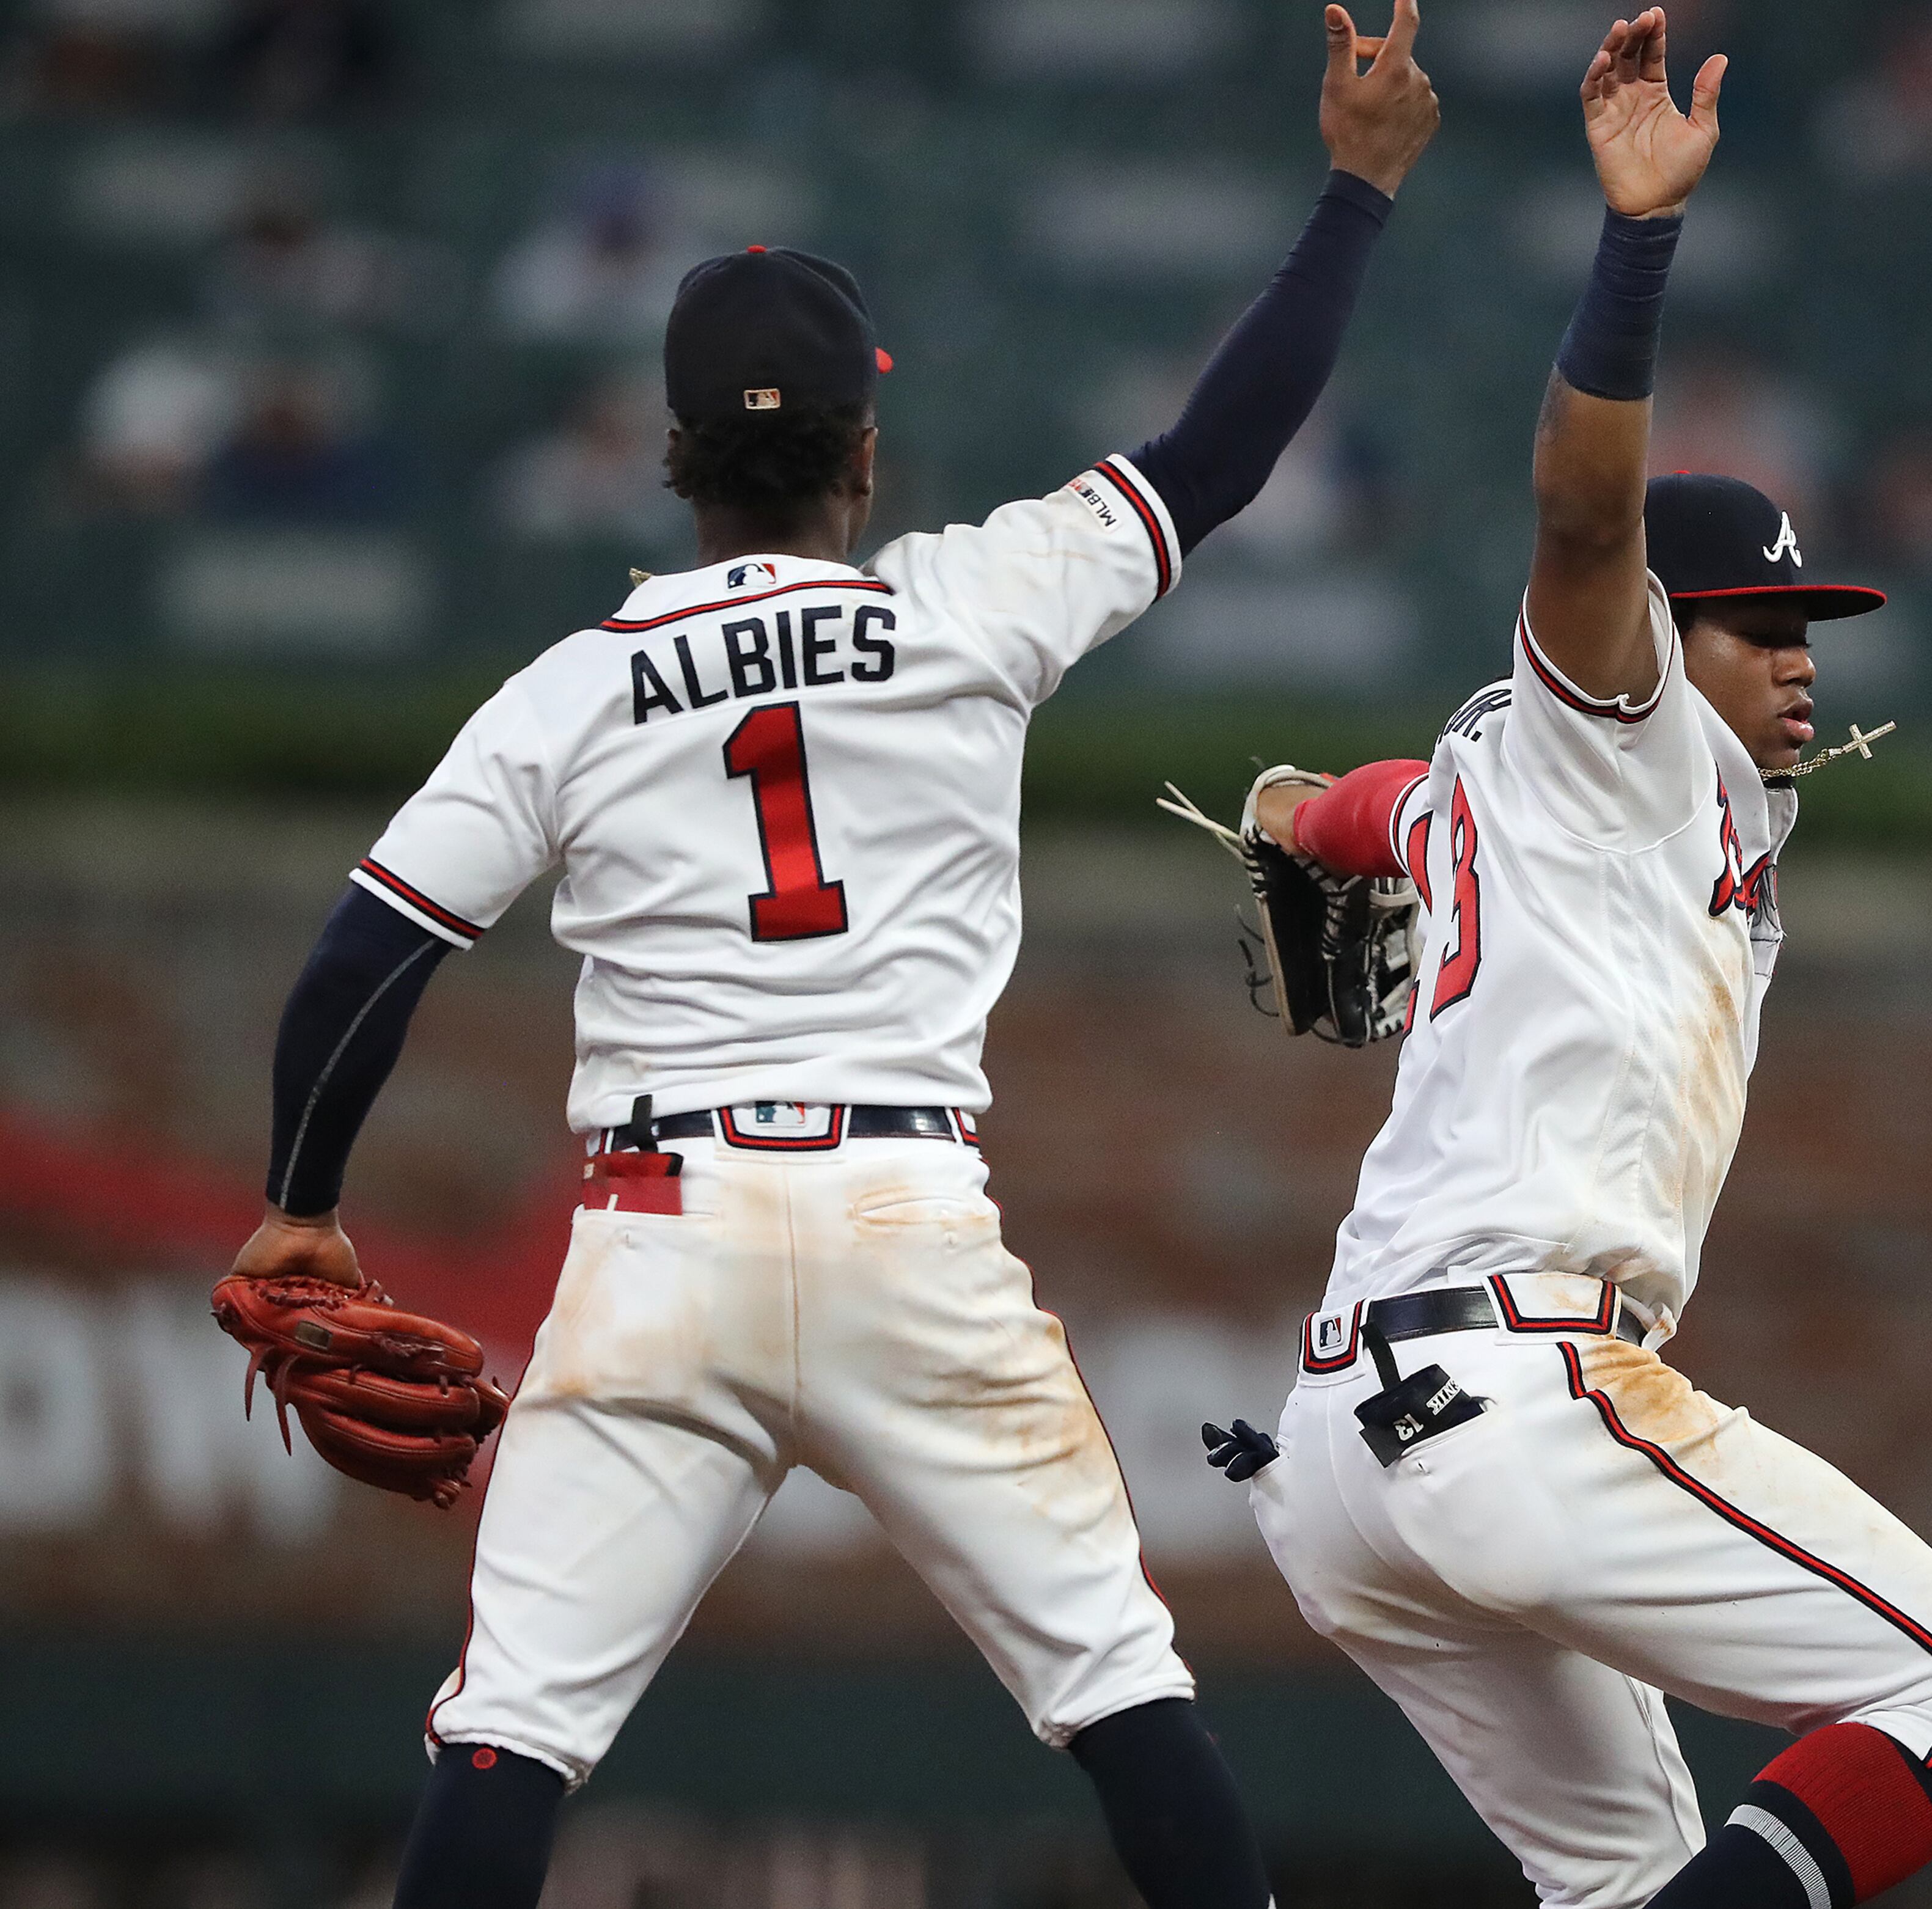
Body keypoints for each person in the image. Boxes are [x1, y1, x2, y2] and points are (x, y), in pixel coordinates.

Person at [216, 10, 1439, 1907]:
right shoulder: (973, 603)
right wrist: (1356, 192)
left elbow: (359, 966)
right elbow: (1222, 450)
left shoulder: (575, 689)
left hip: (659, 1238)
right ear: (865, 451)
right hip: (905, 1227)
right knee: (1122, 1686)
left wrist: (301, 1202)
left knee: (510, 1723)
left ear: (675, 464)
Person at [1212, 15, 1932, 1908]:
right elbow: (1586, 516)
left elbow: (1389, 801)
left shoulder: (1540, 788)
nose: (1798, 652)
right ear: (1665, 642)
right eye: (1755, 624)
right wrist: (1639, 240)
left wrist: (1295, 810)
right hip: (1521, 1397)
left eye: (1809, 617)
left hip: (1351, 1452)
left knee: (1637, 1878)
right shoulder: (1624, 724)